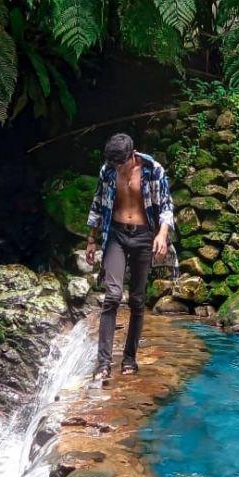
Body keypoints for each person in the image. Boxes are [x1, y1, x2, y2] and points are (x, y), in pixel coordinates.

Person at [85, 132, 174, 383]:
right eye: (112, 163)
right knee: (112, 295)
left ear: (132, 156)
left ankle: (129, 359)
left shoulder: (153, 170)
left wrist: (162, 235)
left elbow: (166, 205)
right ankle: (103, 363)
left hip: (144, 236)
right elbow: (98, 204)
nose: (115, 167)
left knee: (136, 299)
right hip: (115, 233)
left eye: (119, 163)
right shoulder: (107, 171)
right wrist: (92, 239)